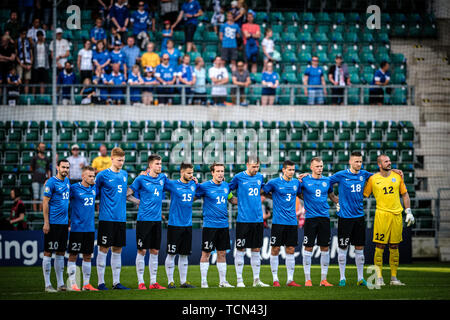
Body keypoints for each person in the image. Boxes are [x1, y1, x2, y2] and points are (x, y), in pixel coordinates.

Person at [363, 154, 414, 286]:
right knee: (380, 246)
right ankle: (378, 277)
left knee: (394, 246)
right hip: (382, 215)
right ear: (380, 165)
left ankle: (393, 278)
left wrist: (408, 211)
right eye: (386, 161)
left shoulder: (398, 176)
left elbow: (405, 194)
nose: (389, 163)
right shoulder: (373, 179)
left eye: (390, 161)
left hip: (397, 215)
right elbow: (364, 195)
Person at [328, 151, 372, 286]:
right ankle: (342, 278)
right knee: (343, 247)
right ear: (350, 162)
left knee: (359, 248)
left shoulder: (364, 174)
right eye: (356, 161)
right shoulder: (341, 175)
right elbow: (325, 183)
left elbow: (380, 177)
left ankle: (360, 278)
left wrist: (394, 170)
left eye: (360, 161)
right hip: (345, 218)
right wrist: (335, 199)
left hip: (359, 217)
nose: (359, 164)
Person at [127, 154, 167, 290]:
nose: (160, 166)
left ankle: (153, 282)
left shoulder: (163, 178)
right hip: (144, 220)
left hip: (156, 221)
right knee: (142, 250)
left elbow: (175, 185)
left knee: (155, 250)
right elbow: (127, 193)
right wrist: (138, 201)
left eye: (160, 164)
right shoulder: (141, 179)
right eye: (157, 164)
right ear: (150, 165)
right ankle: (141, 282)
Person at [298, 157, 339, 287]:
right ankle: (307, 279)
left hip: (324, 218)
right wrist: (306, 199)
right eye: (317, 166)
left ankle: (323, 279)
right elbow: (298, 193)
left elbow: (332, 197)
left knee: (325, 247)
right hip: (310, 218)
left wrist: (342, 203)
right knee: (308, 247)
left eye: (321, 166)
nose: (320, 168)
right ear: (311, 167)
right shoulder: (304, 180)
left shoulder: (327, 180)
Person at [229, 155, 269, 288]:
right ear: (247, 165)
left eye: (257, 166)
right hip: (243, 220)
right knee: (240, 249)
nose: (256, 169)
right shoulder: (238, 177)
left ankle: (256, 280)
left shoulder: (259, 177)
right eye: (253, 167)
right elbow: (227, 189)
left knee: (256, 249)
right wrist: (233, 200)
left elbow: (263, 190)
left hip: (257, 219)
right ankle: (239, 280)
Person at [196, 162, 236, 288]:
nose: (220, 173)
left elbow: (231, 199)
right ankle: (203, 282)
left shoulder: (226, 186)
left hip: (223, 225)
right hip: (210, 226)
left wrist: (248, 200)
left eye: (222, 171)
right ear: (212, 173)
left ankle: (223, 281)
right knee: (206, 253)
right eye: (217, 171)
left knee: (222, 253)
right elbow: (192, 197)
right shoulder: (204, 186)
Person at [262, 160, 302, 287]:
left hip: (292, 221)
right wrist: (273, 197)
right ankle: (275, 280)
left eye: (293, 170)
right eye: (289, 169)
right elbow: (263, 191)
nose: (291, 172)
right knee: (275, 249)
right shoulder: (274, 182)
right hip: (278, 222)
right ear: (283, 170)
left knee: (290, 249)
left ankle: (290, 280)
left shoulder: (296, 182)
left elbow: (300, 194)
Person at [95, 147, 130, 290]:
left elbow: (125, 193)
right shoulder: (102, 175)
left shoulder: (124, 174)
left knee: (117, 249)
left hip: (120, 218)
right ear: (112, 159)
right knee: (103, 248)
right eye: (119, 160)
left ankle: (116, 282)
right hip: (106, 218)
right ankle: (100, 282)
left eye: (123, 160)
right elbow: (93, 193)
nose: (121, 162)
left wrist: (139, 201)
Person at [164, 163, 198, 288]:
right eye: (188, 173)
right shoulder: (173, 184)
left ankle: (183, 281)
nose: (191, 175)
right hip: (174, 224)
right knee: (171, 253)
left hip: (187, 224)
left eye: (192, 173)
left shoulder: (194, 184)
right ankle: (170, 281)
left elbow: (193, 196)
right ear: (181, 172)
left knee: (184, 254)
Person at [67, 166, 99, 291]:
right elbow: (63, 201)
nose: (92, 178)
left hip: (90, 229)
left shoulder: (94, 188)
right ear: (83, 176)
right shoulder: (74, 188)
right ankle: (72, 283)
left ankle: (86, 284)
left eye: (93, 176)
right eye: (90, 176)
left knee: (87, 256)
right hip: (77, 228)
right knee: (73, 255)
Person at [42, 159, 71, 292]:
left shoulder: (67, 181)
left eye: (67, 167)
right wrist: (46, 222)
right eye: (63, 167)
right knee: (48, 252)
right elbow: (45, 203)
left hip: (64, 224)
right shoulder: (51, 182)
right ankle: (48, 284)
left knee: (60, 253)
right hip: (53, 223)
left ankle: (60, 284)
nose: (65, 169)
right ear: (57, 167)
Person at [31, 142, 51, 213]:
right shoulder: (35, 158)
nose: (43, 148)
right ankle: (34, 212)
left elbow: (48, 170)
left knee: (42, 197)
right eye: (41, 147)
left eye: (44, 147)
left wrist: (49, 178)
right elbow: (31, 168)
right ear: (38, 148)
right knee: (35, 196)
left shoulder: (47, 159)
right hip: (35, 180)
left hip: (44, 181)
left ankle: (40, 212)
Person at [16, 28, 33, 94]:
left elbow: (31, 53)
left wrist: (31, 63)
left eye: (25, 34)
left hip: (28, 62)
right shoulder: (17, 41)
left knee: (27, 80)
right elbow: (16, 54)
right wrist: (21, 64)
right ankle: (18, 95)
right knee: (19, 79)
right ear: (20, 34)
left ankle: (26, 96)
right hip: (20, 63)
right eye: (23, 34)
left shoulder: (28, 41)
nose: (24, 35)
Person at [32, 31, 49, 95]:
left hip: (44, 65)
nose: (40, 37)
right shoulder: (34, 45)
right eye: (39, 36)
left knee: (42, 82)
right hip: (36, 65)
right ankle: (33, 97)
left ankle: (41, 96)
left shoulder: (46, 45)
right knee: (34, 82)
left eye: (41, 36)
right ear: (37, 37)